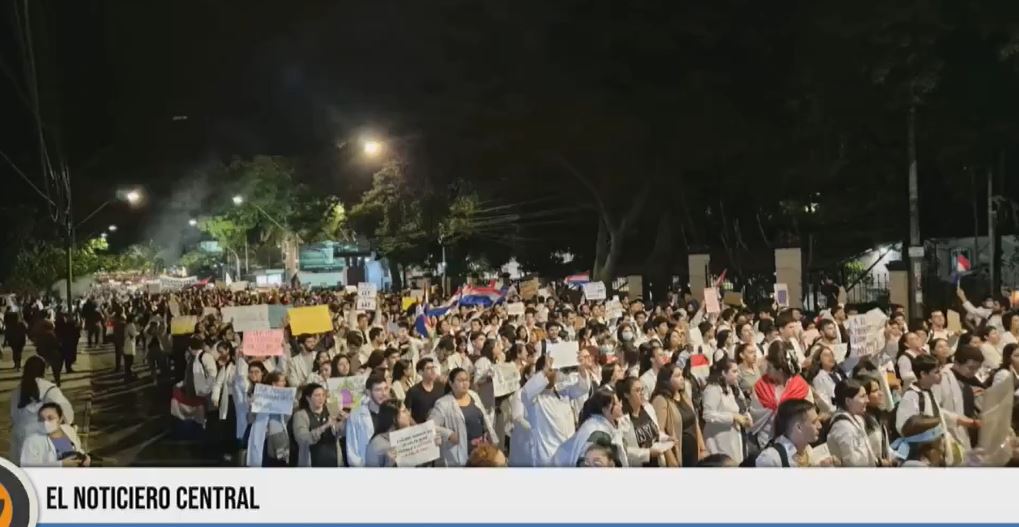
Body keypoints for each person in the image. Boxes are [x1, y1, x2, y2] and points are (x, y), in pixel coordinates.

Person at [521, 356, 592, 466]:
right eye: (549, 371)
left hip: (568, 453)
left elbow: (583, 388)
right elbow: (526, 393)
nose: (552, 374)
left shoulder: (563, 391)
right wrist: (544, 371)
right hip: (548, 456)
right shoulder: (535, 398)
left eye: (554, 370)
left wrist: (582, 369)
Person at [9, 356, 74, 464]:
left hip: (20, 441)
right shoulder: (49, 389)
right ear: (43, 370)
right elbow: (67, 414)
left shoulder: (17, 391)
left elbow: (14, 416)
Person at [430, 367, 498, 467]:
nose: (465, 383)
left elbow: (484, 418)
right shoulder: (443, 404)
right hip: (459, 454)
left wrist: (492, 438)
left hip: (481, 451)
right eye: (460, 380)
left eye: (466, 380)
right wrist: (448, 434)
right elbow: (430, 426)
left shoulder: (473, 395)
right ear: (451, 383)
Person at [749, 341, 813, 448]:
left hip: (797, 440)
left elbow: (809, 415)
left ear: (780, 370)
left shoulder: (801, 386)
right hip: (767, 440)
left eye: (769, 367)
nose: (766, 370)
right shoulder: (760, 386)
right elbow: (755, 416)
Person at [552, 387, 628, 467]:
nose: (620, 405)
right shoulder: (597, 432)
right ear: (605, 409)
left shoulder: (603, 424)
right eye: (615, 403)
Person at [934, 344, 983, 453]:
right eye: (971, 368)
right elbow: (934, 410)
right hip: (950, 433)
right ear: (956, 363)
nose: (974, 372)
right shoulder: (940, 379)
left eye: (977, 368)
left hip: (968, 431)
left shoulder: (967, 379)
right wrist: (958, 420)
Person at [702, 357, 752, 464]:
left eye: (737, 371)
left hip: (736, 437)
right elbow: (708, 415)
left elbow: (741, 407)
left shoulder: (732, 387)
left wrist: (746, 417)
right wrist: (732, 417)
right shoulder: (712, 389)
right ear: (723, 373)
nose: (737, 374)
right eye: (734, 371)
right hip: (719, 441)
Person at [615, 376, 671, 466]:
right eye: (637, 390)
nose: (641, 393)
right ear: (627, 394)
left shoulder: (648, 408)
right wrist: (648, 454)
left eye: (642, 390)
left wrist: (666, 438)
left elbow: (655, 431)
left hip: (657, 463)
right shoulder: (622, 420)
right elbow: (623, 451)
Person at [826, 379, 883, 467]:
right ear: (848, 401)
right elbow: (853, 463)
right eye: (862, 396)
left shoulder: (858, 418)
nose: (867, 400)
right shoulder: (842, 427)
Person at [755, 399, 825, 467]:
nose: (820, 426)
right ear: (799, 427)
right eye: (814, 422)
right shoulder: (771, 459)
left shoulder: (808, 450)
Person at [20, 403, 90, 467]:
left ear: (60, 418)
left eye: (50, 418)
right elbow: (27, 467)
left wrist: (85, 457)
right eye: (42, 419)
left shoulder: (68, 430)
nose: (45, 422)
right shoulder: (32, 441)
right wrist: (60, 464)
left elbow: (78, 448)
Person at [292, 383, 346, 467]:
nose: (321, 398)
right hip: (312, 462)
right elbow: (302, 439)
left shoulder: (332, 410)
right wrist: (324, 427)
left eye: (323, 395)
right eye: (317, 395)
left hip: (334, 461)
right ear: (308, 398)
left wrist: (346, 422)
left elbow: (342, 433)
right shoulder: (300, 415)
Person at [345, 371, 390, 467]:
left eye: (386, 389)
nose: (384, 393)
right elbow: (352, 449)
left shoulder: (393, 412)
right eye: (378, 390)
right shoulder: (356, 415)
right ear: (368, 392)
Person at [649, 364, 691, 466]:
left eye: (682, 375)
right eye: (677, 376)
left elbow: (695, 423)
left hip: (692, 451)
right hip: (677, 452)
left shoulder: (683, 395)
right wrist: (671, 459)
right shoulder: (661, 400)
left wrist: (702, 448)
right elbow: (659, 432)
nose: (682, 378)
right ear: (666, 380)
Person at [364, 400, 414, 467]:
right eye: (404, 411)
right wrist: (388, 464)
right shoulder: (376, 446)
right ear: (394, 418)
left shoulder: (408, 436)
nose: (409, 413)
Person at [405, 357, 445, 425]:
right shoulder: (413, 391)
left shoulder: (441, 387)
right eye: (429, 368)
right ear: (420, 372)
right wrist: (417, 427)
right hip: (421, 428)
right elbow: (407, 413)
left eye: (433, 367)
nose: (433, 371)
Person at [122, 314, 139, 382]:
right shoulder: (131, 325)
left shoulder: (127, 325)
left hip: (126, 345)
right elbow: (133, 333)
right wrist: (139, 332)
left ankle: (127, 376)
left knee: (127, 362)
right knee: (129, 362)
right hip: (129, 345)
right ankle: (129, 377)